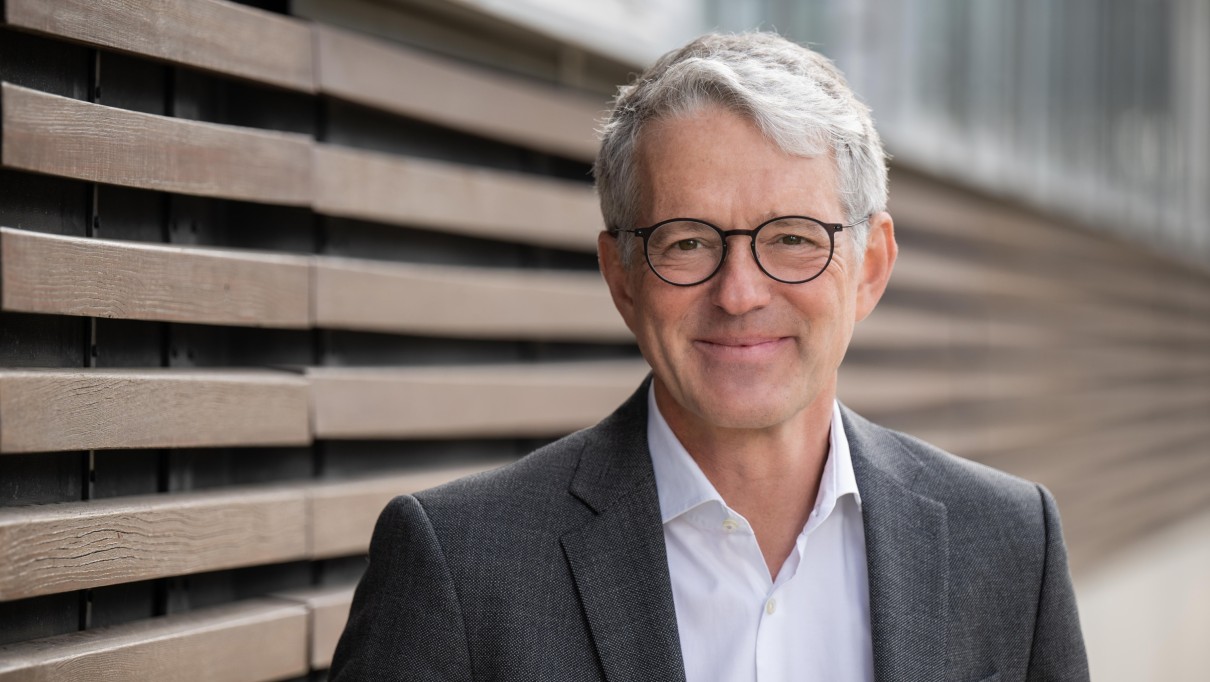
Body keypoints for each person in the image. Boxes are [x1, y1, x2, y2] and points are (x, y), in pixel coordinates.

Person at [330, 32, 1089, 682]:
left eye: (792, 237)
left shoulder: (1010, 542)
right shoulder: (459, 563)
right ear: (622, 275)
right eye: (688, 241)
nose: (739, 293)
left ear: (870, 265)